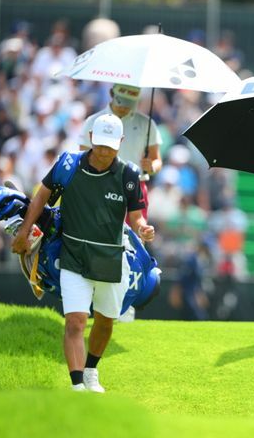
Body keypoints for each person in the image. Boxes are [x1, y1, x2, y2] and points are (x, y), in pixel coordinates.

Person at [12, 114, 156, 392]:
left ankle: (91, 370)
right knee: (75, 321)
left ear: (121, 143)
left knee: (105, 320)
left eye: (110, 146)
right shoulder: (68, 164)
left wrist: (143, 228)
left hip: (111, 259)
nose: (104, 152)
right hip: (74, 256)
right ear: (90, 138)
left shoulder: (128, 175)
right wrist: (24, 230)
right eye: (100, 144)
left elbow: (136, 218)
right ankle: (77, 386)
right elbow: (42, 195)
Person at [80, 83, 163, 217]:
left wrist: (152, 166)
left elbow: (157, 160)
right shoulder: (93, 121)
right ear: (112, 94)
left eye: (130, 103)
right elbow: (82, 157)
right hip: (100, 184)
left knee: (135, 235)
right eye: (121, 102)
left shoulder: (147, 123)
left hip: (136, 186)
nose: (125, 107)